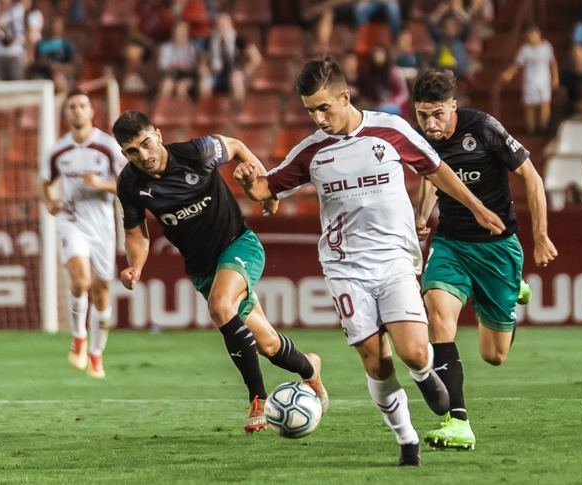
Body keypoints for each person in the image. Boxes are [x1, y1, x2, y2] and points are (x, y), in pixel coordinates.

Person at [233, 58, 505, 466]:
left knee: (413, 352)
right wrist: (247, 181)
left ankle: (424, 374)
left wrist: (477, 207)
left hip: (395, 259)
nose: (318, 118)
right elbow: (265, 187)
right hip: (345, 268)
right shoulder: (311, 152)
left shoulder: (389, 131)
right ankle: (407, 440)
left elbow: (437, 169)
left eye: (324, 107)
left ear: (345, 96)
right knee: (375, 360)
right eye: (310, 110)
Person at [112, 111, 327, 433]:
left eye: (146, 143)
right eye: (132, 151)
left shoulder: (198, 152)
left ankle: (258, 399)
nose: (143, 155)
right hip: (203, 270)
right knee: (268, 345)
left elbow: (238, 146)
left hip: (239, 245)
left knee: (220, 306)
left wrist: (268, 191)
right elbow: (135, 233)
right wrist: (136, 266)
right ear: (124, 154)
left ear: (157, 134)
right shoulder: (129, 183)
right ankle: (311, 368)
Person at [412, 69, 558, 450]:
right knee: (438, 315)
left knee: (494, 356)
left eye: (438, 114)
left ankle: (513, 290)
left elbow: (532, 178)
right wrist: (424, 215)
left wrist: (540, 236)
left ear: (454, 108)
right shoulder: (421, 141)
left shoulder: (485, 128)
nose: (430, 123)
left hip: (497, 247)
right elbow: (431, 178)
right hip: (452, 245)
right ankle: (457, 420)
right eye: (423, 115)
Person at [41, 91, 127, 379]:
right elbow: (46, 183)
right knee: (80, 280)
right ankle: (78, 337)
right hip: (71, 221)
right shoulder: (57, 151)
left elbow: (126, 185)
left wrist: (100, 184)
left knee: (102, 293)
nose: (77, 111)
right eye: (72, 107)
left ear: (92, 112)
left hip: (102, 227)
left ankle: (96, 354)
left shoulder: (108, 147)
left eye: (82, 106)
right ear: (66, 115)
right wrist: (50, 202)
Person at [501, 24, 558, 134]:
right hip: (530, 81)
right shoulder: (524, 50)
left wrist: (555, 77)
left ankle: (544, 129)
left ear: (538, 35)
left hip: (544, 81)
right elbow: (517, 64)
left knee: (545, 104)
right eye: (529, 36)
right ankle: (531, 130)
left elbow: (553, 63)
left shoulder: (546, 47)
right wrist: (509, 73)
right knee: (530, 106)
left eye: (534, 35)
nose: (532, 38)